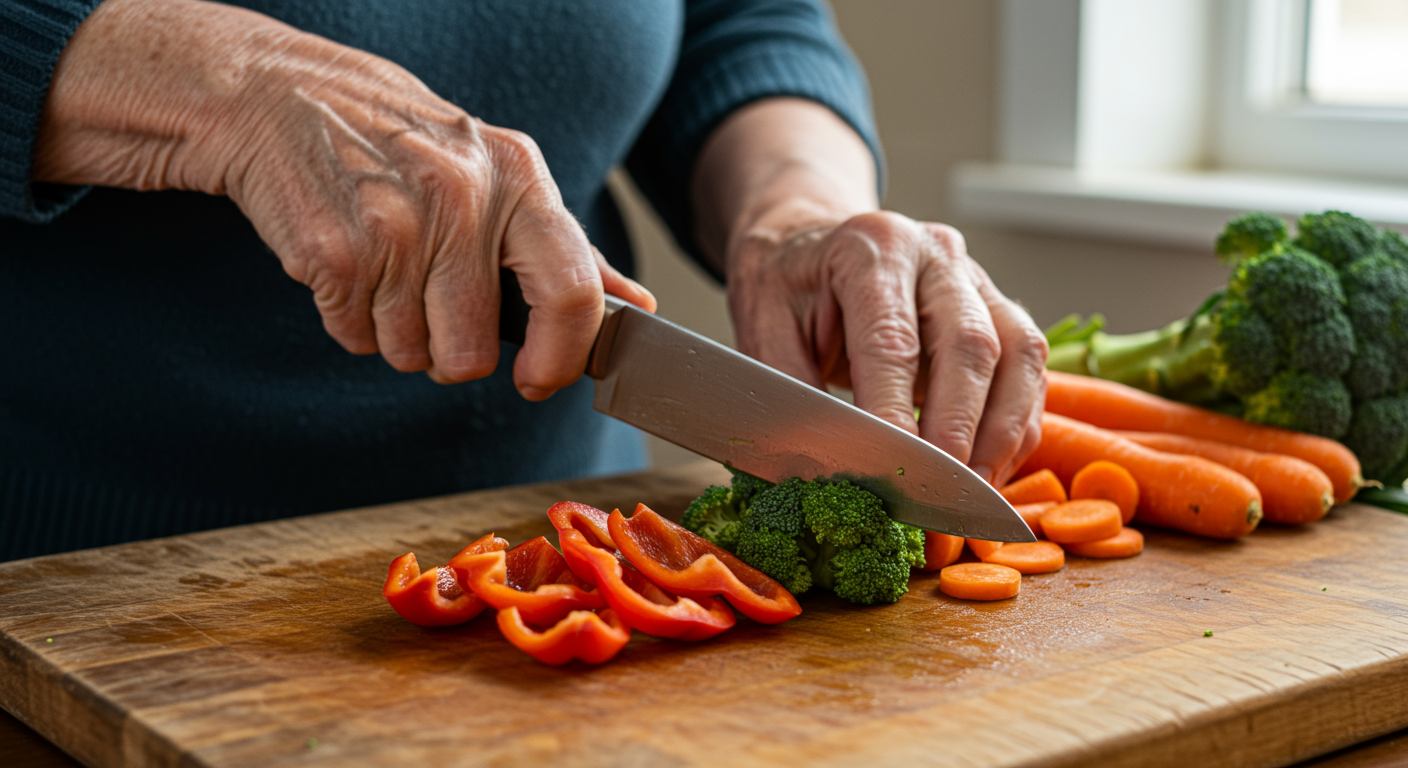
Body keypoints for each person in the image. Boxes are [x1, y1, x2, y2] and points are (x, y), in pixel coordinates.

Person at [0, 0, 1048, 561]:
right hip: (80, 581)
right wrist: (220, 81)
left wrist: (796, 210)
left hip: (569, 530)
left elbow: (740, 20)